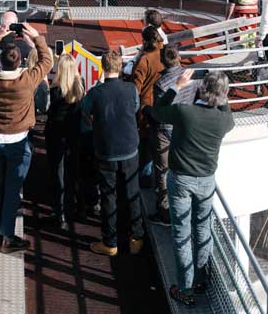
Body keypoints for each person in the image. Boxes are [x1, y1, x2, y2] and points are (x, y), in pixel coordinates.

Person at [149, 70, 234, 307]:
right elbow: (227, 112)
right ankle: (201, 279)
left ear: (202, 88)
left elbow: (157, 111)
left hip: (182, 179)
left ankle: (184, 289)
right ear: (224, 94)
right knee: (202, 228)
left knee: (181, 234)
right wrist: (223, 97)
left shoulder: (185, 112)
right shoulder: (224, 120)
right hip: (207, 180)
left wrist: (177, 86)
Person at [0, 21, 53, 254]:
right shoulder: (27, 81)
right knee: (12, 191)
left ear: (0, 60)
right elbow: (47, 60)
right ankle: (6, 237)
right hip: (18, 142)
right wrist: (36, 36)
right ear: (19, 61)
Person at [82, 50, 144, 257]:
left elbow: (86, 113)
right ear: (119, 67)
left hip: (106, 150)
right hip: (129, 148)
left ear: (103, 67)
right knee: (132, 192)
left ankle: (110, 242)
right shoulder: (130, 89)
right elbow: (135, 108)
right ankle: (136, 237)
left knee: (109, 196)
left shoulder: (95, 93)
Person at [145, 44, 198, 225]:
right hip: (184, 129)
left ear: (162, 60)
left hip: (165, 131)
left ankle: (164, 212)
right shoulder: (192, 76)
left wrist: (147, 111)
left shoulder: (161, 84)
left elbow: (159, 112)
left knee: (163, 173)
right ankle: (182, 210)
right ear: (178, 57)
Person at [44, 53, 84, 228]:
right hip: (73, 136)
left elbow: (48, 111)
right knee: (73, 174)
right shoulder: (80, 86)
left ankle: (59, 214)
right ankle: (76, 209)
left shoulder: (55, 90)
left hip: (55, 136)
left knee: (57, 175)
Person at [131, 24, 164, 188]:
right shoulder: (164, 54)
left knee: (145, 146)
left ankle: (144, 180)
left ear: (144, 41)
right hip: (162, 105)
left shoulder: (144, 60)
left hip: (145, 107)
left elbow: (136, 88)